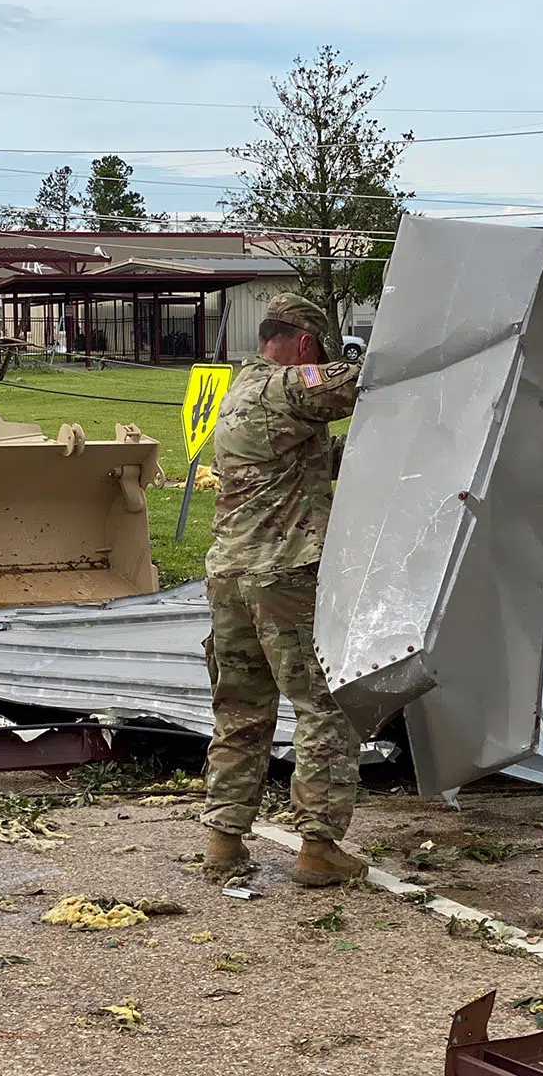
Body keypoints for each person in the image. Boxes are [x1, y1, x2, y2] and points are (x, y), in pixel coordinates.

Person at [199, 291, 367, 889]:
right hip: (284, 575)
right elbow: (361, 383)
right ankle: (318, 846)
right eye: (317, 350)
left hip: (229, 574)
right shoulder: (290, 385)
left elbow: (303, 463)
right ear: (302, 344)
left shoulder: (241, 391)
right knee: (324, 706)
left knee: (240, 710)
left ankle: (224, 839)